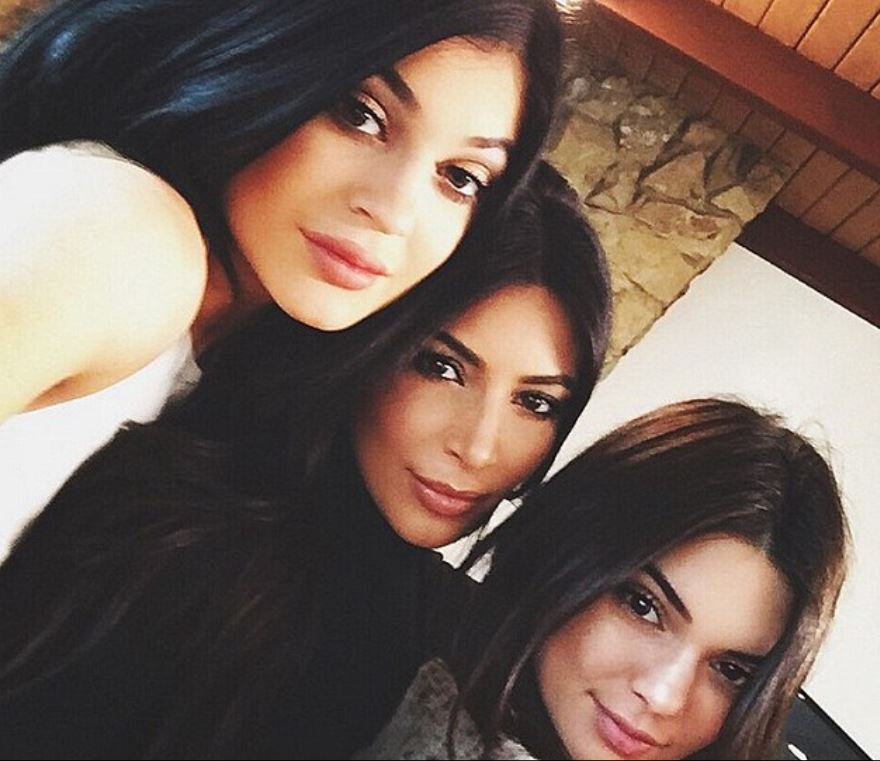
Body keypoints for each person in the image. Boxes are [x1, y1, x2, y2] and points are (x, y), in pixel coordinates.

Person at [0, 162, 612, 758]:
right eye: (440, 367)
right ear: (373, 341)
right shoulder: (173, 527)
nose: (478, 447)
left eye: (535, 403)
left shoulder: (444, 624)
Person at [0, 0, 564, 552]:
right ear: (264, 59)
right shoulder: (125, 235)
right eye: (360, 115)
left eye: (460, 177)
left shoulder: (217, 357)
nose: (395, 212)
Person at [361, 398, 850, 760]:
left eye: (731, 670)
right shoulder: (377, 638)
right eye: (643, 606)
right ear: (565, 553)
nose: (664, 696)